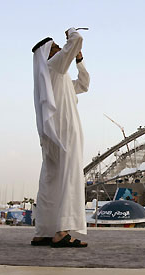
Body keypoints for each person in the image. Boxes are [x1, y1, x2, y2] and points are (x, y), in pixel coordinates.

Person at [31, 28, 90, 247]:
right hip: (66, 132)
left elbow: (83, 85)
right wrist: (71, 32)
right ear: (47, 54)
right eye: (55, 48)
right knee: (70, 177)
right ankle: (62, 231)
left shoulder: (55, 76)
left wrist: (79, 59)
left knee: (50, 179)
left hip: (51, 136)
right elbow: (77, 39)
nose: (59, 50)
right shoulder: (54, 65)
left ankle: (43, 231)